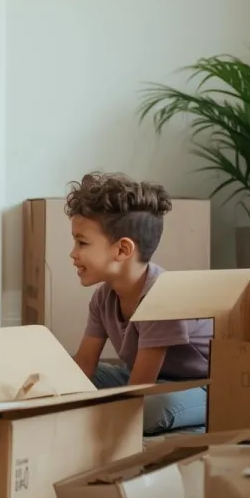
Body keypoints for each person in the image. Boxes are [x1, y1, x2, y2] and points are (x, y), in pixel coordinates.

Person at [65, 172, 211, 435]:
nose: (73, 253)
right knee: (66, 376)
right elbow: (85, 365)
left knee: (147, 409)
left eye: (82, 242)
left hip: (199, 387)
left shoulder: (163, 297)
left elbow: (140, 387)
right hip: (152, 382)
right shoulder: (103, 298)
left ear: (122, 250)